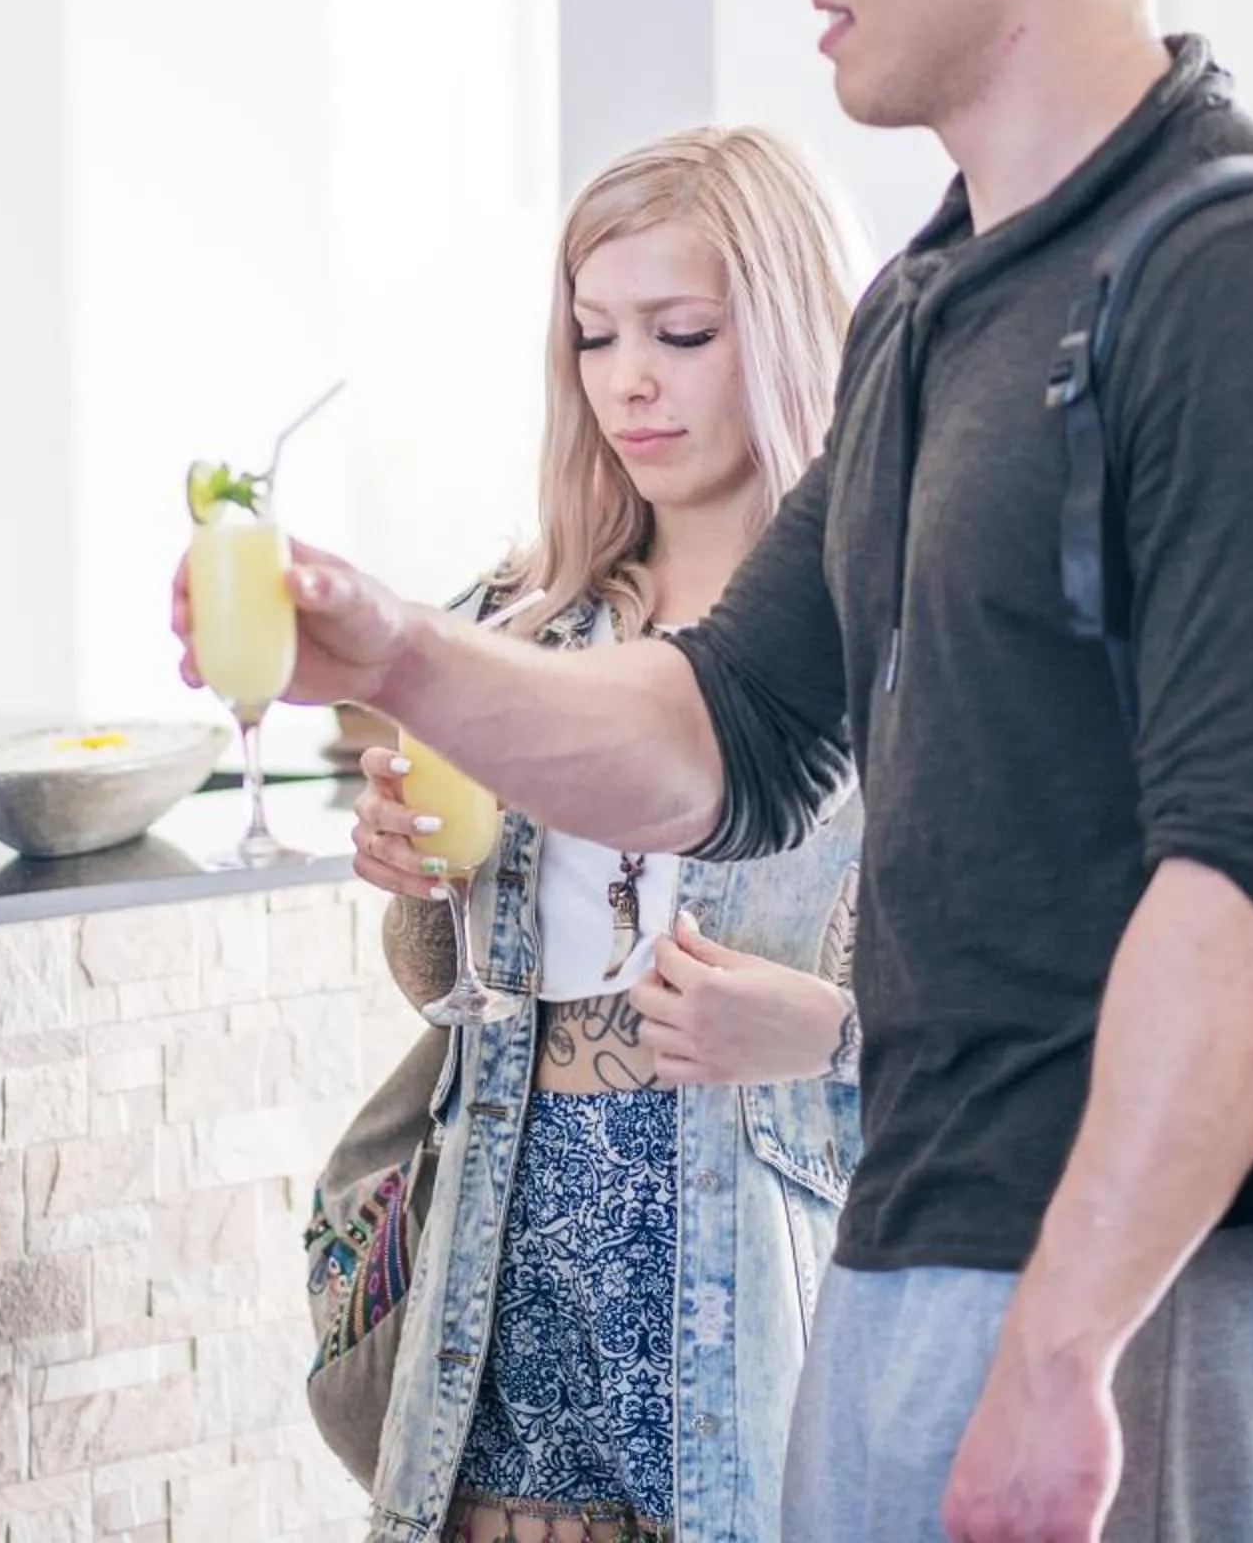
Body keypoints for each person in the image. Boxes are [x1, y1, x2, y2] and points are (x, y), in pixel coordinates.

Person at [182, 0, 1253, 1543]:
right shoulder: (941, 311)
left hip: (1155, 1290)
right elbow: (727, 733)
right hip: (906, 1263)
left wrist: (1063, 1349)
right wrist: (400, 657)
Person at [345, 127, 866, 1542]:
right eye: (595, 335)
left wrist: (824, 1032)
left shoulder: (887, 649)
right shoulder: (518, 626)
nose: (630, 379)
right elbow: (454, 986)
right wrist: (417, 882)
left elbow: (1015, 1037)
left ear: (787, 327)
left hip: (763, 1283)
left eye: (683, 333)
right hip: (510, 1256)